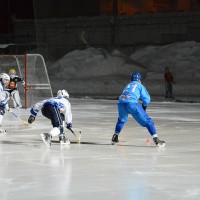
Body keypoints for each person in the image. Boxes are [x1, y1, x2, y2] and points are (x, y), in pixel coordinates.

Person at [111, 72, 166, 147]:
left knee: (121, 120)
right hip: (132, 104)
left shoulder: (128, 85)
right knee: (148, 121)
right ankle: (156, 139)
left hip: (121, 103)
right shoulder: (140, 85)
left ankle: (115, 136)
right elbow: (147, 99)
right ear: (139, 79)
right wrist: (144, 107)